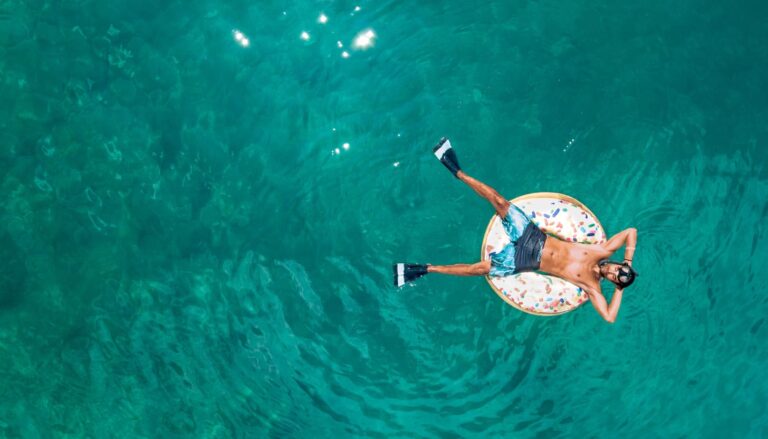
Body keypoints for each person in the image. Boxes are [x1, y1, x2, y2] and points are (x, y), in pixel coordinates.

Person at [393, 138, 638, 323]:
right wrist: (628, 259)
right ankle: (457, 170)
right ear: (618, 264)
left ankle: (425, 269)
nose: (616, 272)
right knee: (500, 201)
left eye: (618, 276)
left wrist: (620, 290)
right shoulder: (601, 250)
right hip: (534, 237)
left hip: (526, 260)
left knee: (480, 269)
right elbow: (631, 231)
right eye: (619, 270)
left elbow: (609, 316)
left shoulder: (592, 286)